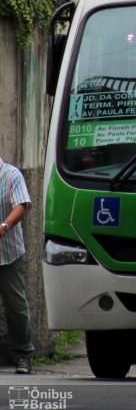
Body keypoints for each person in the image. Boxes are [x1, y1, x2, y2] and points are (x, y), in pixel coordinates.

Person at [0, 157, 34, 374]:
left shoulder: (11, 175)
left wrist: (4, 225)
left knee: (16, 305)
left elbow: (21, 205)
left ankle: (23, 354)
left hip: (9, 252)